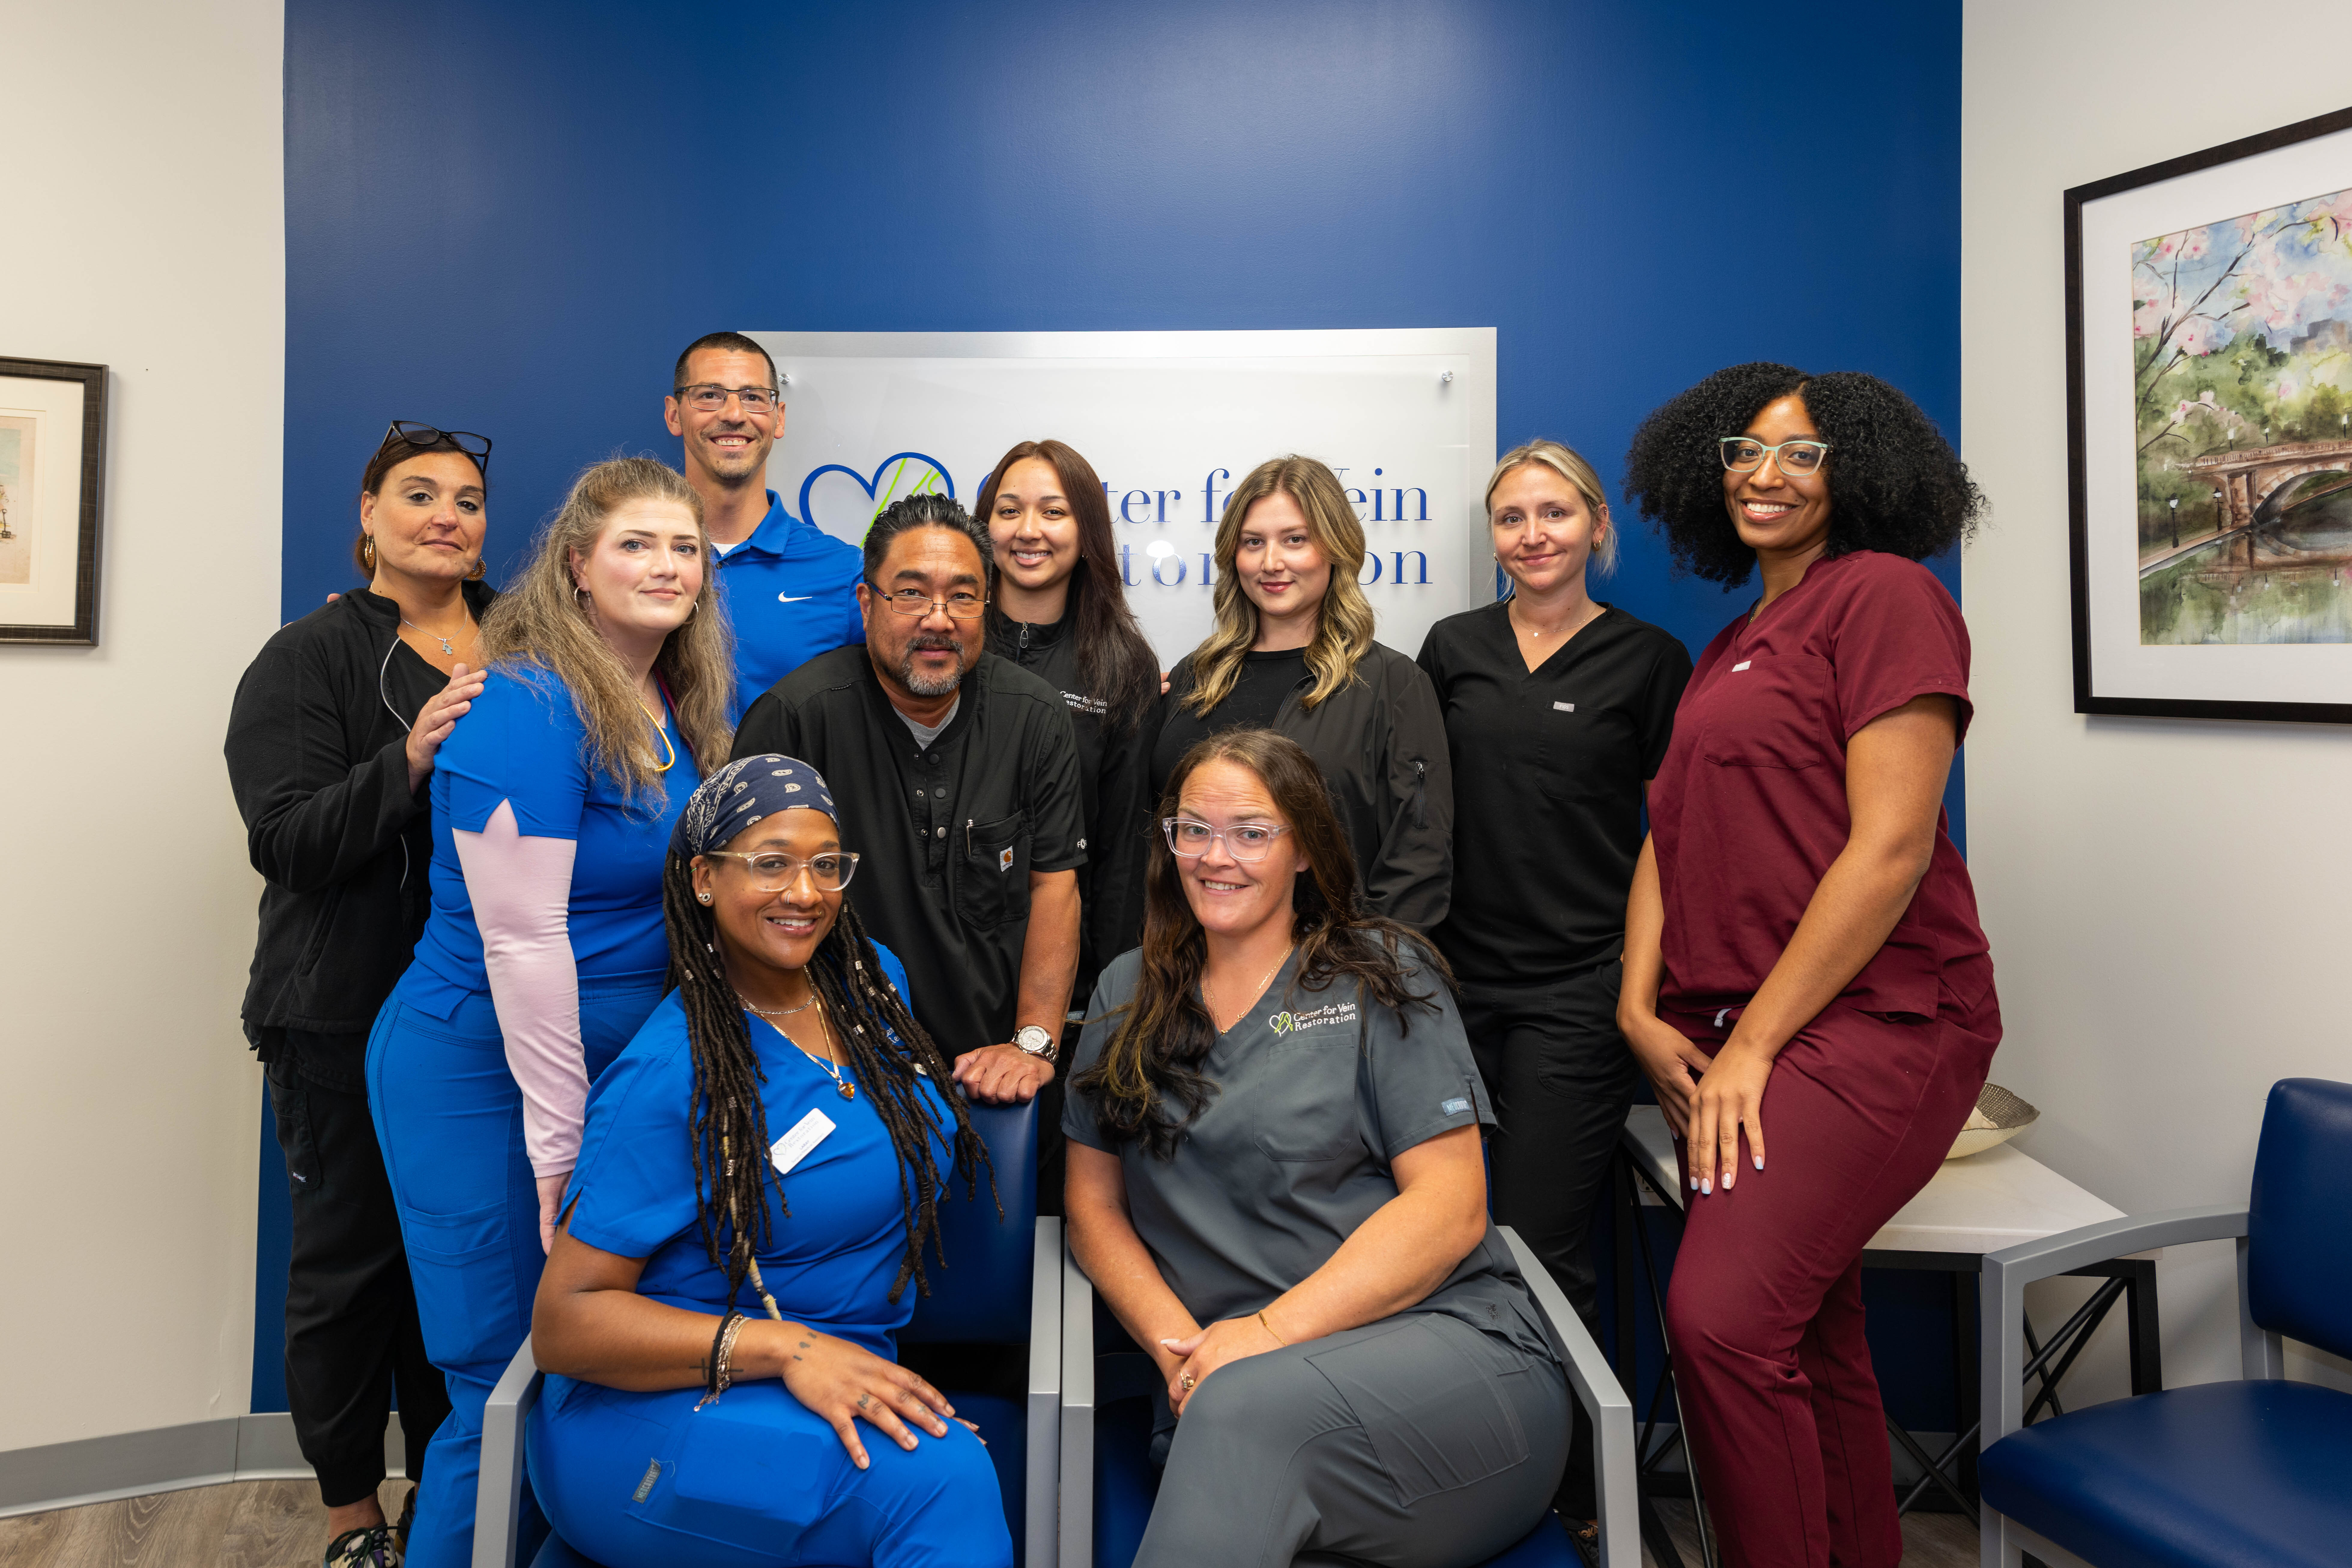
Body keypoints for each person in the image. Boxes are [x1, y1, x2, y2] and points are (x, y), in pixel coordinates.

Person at [1617, 363, 1994, 1568]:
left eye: (1800, 452)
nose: (1762, 474)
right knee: (1808, 1333)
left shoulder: (1882, 597)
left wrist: (1757, 1051)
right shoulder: (1732, 639)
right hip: (1742, 1026)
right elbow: (1669, 835)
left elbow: (1887, 853)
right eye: (1743, 448)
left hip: (1880, 1017)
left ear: (1859, 473)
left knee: (1717, 1322)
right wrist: (1635, 1004)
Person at [1064, 728, 1570, 1567]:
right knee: (1239, 1428)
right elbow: (1091, 1204)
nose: (1215, 856)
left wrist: (1262, 1333)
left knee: (1239, 1417)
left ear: (1304, 847)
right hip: (1230, 1388)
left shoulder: (1381, 973)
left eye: (1252, 831)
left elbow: (1450, 1208)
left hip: (1451, 1366)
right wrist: (1178, 1348)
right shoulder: (1127, 989)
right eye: (1193, 828)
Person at [368, 456, 730, 1568]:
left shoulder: (668, 699)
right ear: (576, 567)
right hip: (485, 1076)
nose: (666, 566)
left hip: (603, 1074)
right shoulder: (526, 703)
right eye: (635, 545)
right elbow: (522, 947)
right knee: (503, 1380)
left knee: (583, 1369)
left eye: (684, 548)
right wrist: (560, 1145)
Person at [526, 755, 1010, 1568]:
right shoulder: (673, 1074)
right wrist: (787, 1349)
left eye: (827, 863)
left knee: (935, 1475)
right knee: (940, 1481)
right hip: (661, 1409)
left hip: (822, 1376)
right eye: (771, 862)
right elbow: (564, 1322)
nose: (806, 891)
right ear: (705, 879)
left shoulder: (872, 984)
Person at [1415, 438, 1692, 1554]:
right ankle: (1455, 1463)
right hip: (1444, 992)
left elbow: (1671, 847)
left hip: (1575, 994)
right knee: (1434, 1239)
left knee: (1537, 1245)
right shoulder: (1451, 649)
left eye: (1554, 513)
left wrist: (1635, 997)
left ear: (1594, 529)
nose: (1532, 535)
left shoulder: (1647, 660)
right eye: (1511, 517)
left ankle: (1574, 1488)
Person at [225, 421, 489, 1567]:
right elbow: (287, 841)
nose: (447, 515)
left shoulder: (530, 648)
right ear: (370, 516)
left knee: (461, 1267)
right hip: (341, 1017)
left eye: (470, 500)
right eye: (419, 494)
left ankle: (455, 1496)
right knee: (351, 1272)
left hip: (483, 1025)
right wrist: (411, 760)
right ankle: (350, 1519)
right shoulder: (310, 655)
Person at [731, 493, 1083, 1111]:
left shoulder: (1033, 717)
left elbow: (1054, 887)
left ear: (986, 606)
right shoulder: (795, 721)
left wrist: (1031, 1044)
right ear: (866, 603)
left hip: (988, 1076)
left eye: (963, 596)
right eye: (911, 593)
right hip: (829, 1075)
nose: (938, 618)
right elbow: (744, 913)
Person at [976, 438, 1161, 1212]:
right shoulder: (943, 641)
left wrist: (1106, 1002)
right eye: (1009, 509)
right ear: (983, 525)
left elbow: (1123, 852)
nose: (1030, 529)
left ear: (1085, 531)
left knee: (1048, 1200)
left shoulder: (1121, 663)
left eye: (1054, 511)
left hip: (1070, 983)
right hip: (953, 959)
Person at [1154, 455, 1452, 929]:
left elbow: (1418, 861)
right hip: (1190, 965)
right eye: (1253, 542)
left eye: (1295, 540)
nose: (1271, 562)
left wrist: (1369, 975)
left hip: (1332, 975)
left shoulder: (1391, 684)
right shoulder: (1194, 676)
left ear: (1335, 548)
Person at [665, 330, 864, 719]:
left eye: (754, 397)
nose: (734, 414)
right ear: (674, 414)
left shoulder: (844, 573)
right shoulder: (632, 563)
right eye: (709, 395)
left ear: (778, 418)